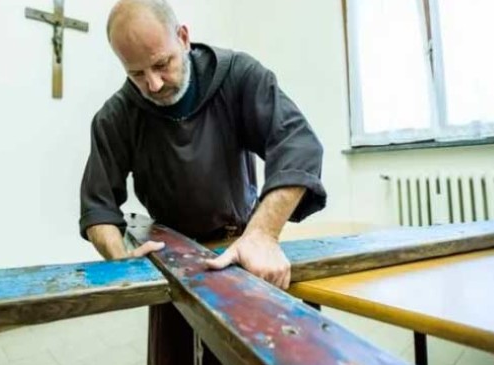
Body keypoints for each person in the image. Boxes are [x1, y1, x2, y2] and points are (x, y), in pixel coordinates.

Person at [79, 0, 326, 363]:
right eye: (137, 73)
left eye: (162, 64)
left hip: (238, 248)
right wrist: (121, 259)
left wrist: (262, 233)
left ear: (183, 37)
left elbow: (297, 145)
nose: (154, 83)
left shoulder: (239, 76)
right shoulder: (115, 116)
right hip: (166, 259)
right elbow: (98, 207)